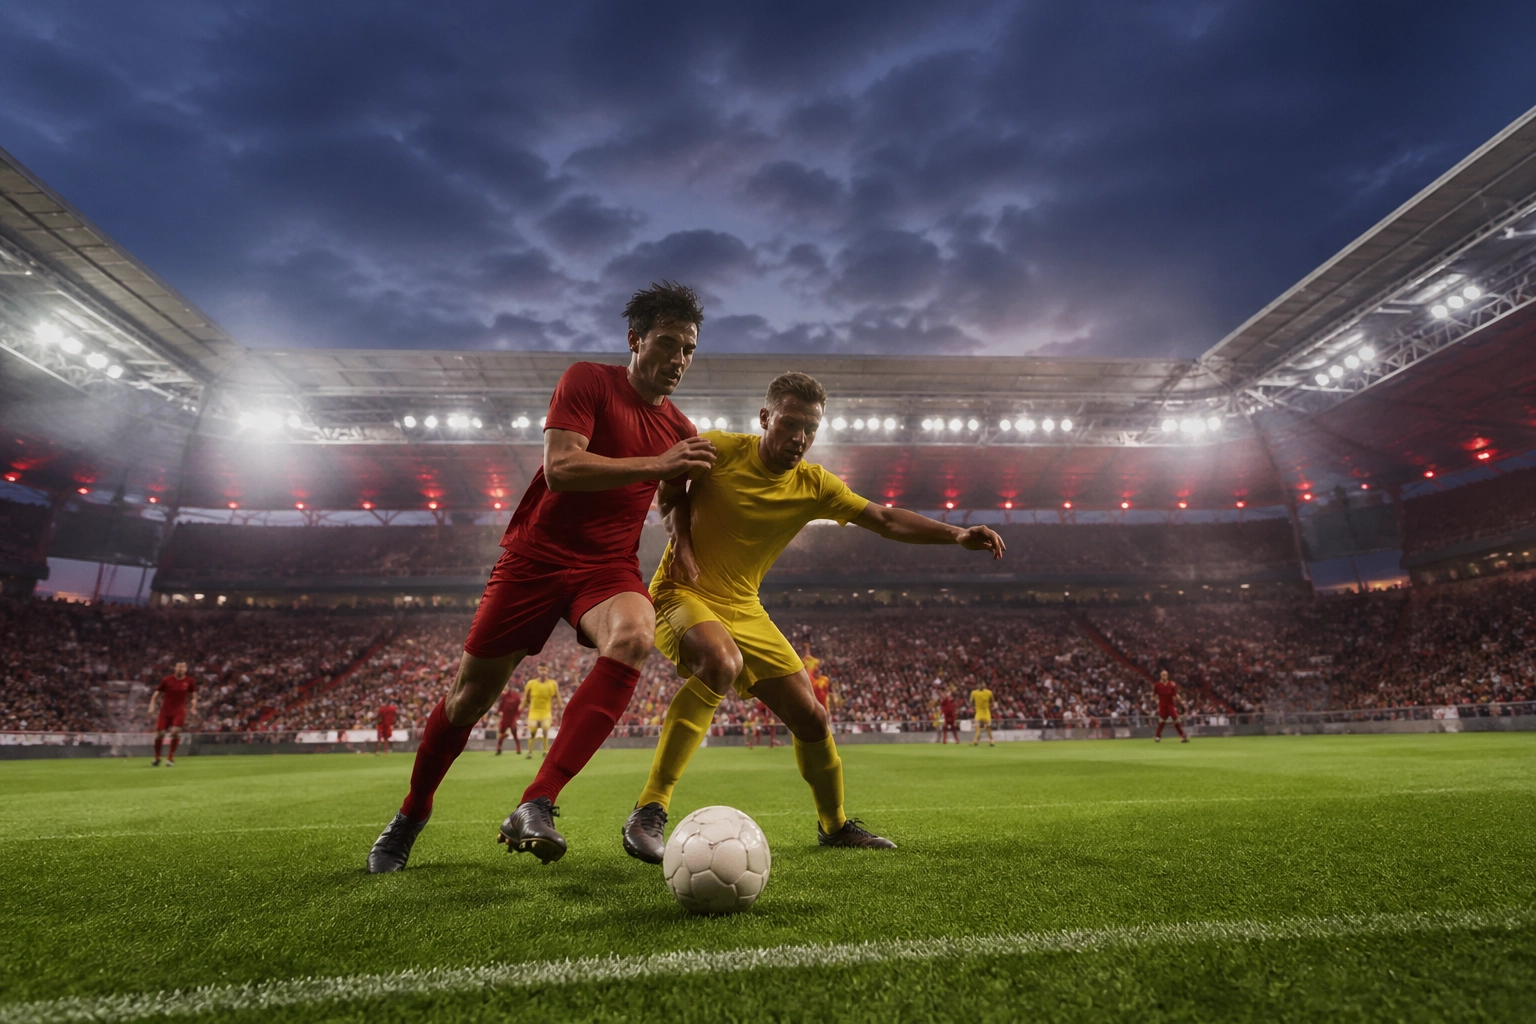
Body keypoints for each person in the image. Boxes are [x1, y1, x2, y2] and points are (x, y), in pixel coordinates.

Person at [367, 282, 715, 873]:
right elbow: (561, 467)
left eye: (688, 349)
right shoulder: (587, 380)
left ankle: (537, 801)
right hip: (534, 558)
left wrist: (681, 539)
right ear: (635, 340)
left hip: (606, 567)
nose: (679, 359)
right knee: (468, 699)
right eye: (667, 343)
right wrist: (659, 465)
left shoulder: (681, 428)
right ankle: (411, 813)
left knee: (636, 635)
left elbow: (673, 497)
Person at [620, 372, 1006, 863]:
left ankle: (835, 825)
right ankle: (649, 808)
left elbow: (884, 518)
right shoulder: (718, 450)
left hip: (745, 608)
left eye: (811, 428)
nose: (799, 437)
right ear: (766, 418)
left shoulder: (815, 485)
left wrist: (955, 535)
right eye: (790, 423)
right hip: (681, 593)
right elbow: (669, 490)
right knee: (719, 662)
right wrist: (683, 544)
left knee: (812, 716)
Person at [148, 661, 196, 767]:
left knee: (175, 732)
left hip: (179, 711)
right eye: (179, 666)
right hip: (165, 711)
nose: (180, 669)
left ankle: (170, 758)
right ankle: (157, 757)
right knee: (160, 734)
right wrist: (152, 706)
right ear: (175, 668)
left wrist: (193, 706)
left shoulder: (190, 681)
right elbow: (156, 695)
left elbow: (193, 696)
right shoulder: (166, 680)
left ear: (185, 669)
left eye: (182, 667)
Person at [522, 667, 562, 760]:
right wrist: (522, 706)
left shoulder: (552, 683)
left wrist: (560, 704)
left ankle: (545, 751)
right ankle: (530, 752)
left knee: (545, 729)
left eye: (544, 670)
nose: (543, 672)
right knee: (532, 732)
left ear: (547, 671)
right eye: (541, 670)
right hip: (534, 713)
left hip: (546, 713)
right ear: (538, 671)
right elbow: (526, 697)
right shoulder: (531, 683)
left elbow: (557, 695)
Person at [1153, 669, 1189, 743]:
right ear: (1161, 676)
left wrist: (1180, 700)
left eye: (1166, 675)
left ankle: (1182, 736)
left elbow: (1175, 694)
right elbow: (1154, 695)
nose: (1164, 676)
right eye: (1163, 675)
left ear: (1167, 676)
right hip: (1162, 705)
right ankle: (1157, 736)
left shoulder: (1171, 684)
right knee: (1162, 721)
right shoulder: (1157, 685)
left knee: (1176, 719)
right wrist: (1156, 700)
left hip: (1170, 705)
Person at [495, 685, 522, 756]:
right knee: (501, 734)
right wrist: (499, 712)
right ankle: (499, 749)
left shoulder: (515, 697)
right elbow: (501, 707)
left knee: (514, 735)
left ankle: (518, 749)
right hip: (506, 719)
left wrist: (516, 717)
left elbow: (519, 708)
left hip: (511, 719)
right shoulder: (504, 697)